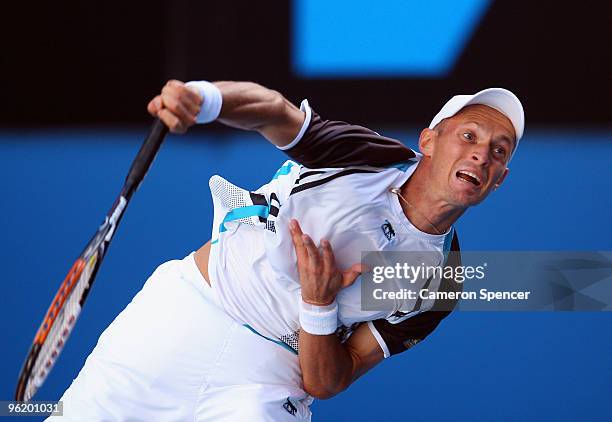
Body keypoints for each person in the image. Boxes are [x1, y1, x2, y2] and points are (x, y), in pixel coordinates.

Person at [48, 80, 524, 421]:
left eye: (499, 151)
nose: (481, 154)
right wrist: (206, 99)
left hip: (267, 381)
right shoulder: (367, 158)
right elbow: (273, 111)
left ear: (499, 179)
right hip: (187, 315)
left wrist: (317, 306)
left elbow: (331, 380)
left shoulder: (441, 282)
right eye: (469, 136)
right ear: (429, 140)